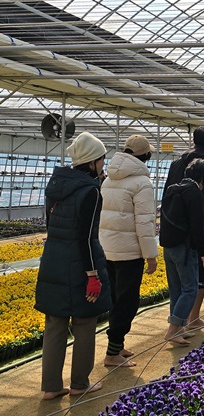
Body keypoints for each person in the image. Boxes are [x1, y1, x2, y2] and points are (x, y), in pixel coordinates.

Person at [35, 131, 112, 400]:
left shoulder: (55, 185)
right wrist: (92, 275)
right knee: (84, 322)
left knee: (55, 323)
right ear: (92, 162)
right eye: (102, 159)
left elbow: (53, 226)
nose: (103, 164)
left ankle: (51, 387)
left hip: (53, 260)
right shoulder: (91, 191)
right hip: (79, 264)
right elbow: (86, 237)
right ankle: (80, 383)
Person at [99, 135, 158, 367]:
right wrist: (150, 255)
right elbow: (144, 223)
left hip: (107, 250)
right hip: (129, 253)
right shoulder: (142, 183)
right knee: (127, 302)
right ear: (145, 156)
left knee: (116, 299)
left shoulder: (108, 179)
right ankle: (112, 353)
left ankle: (118, 345)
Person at [163, 126, 204, 328]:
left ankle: (180, 322)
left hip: (175, 227)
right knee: (200, 272)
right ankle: (192, 318)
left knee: (178, 281)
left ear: (193, 140)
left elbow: (167, 194)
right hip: (203, 226)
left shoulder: (177, 163)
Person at [159, 158, 204, 344]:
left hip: (168, 246)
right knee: (190, 289)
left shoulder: (172, 189)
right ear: (203, 178)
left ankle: (180, 328)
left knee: (176, 289)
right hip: (184, 246)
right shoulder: (194, 193)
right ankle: (173, 330)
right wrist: (203, 252)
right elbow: (197, 226)